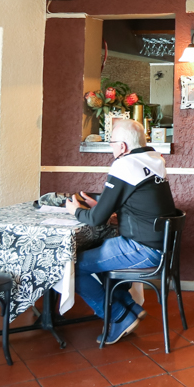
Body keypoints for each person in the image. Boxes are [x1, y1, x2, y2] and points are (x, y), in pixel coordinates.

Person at [65, 119, 178, 345]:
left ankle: (118, 315)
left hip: (142, 248)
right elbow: (138, 204)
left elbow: (96, 221)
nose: (111, 147)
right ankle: (130, 306)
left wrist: (75, 211)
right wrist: (101, 206)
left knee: (72, 266)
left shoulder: (125, 164)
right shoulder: (155, 159)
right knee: (98, 258)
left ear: (124, 146)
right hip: (159, 244)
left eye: (112, 142)